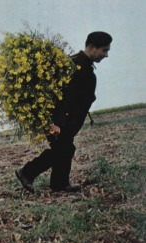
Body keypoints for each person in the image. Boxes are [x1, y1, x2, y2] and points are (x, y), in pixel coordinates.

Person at [16, 31, 112, 193]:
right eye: (104, 50)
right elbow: (61, 99)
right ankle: (26, 172)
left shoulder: (82, 65)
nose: (106, 54)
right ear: (92, 47)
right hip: (61, 121)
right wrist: (55, 123)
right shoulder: (74, 66)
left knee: (65, 149)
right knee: (64, 149)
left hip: (69, 122)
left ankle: (59, 184)